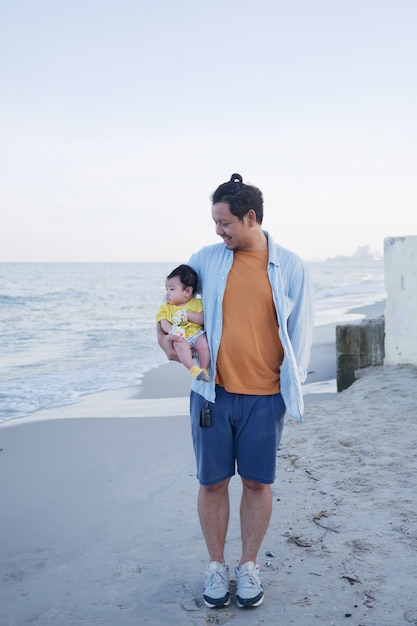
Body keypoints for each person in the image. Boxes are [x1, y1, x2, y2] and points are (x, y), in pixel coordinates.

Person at [157, 174, 314, 610]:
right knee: (212, 484)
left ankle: (248, 566)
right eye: (214, 222)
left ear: (250, 217)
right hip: (213, 394)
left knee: (258, 483)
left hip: (265, 398)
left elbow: (300, 334)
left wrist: (289, 394)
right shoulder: (205, 260)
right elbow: (174, 308)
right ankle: (215, 565)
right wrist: (164, 338)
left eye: (224, 222)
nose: (218, 231)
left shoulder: (292, 266)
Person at [156, 264, 210, 382]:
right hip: (180, 336)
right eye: (166, 289)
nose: (167, 294)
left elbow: (201, 319)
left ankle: (204, 369)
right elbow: (163, 322)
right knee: (180, 345)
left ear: (187, 291)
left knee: (203, 345)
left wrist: (188, 314)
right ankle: (193, 369)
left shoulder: (195, 303)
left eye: (172, 289)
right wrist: (171, 331)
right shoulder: (166, 307)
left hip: (196, 333)